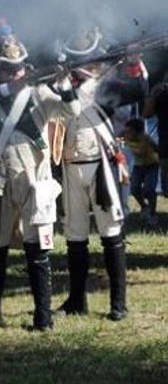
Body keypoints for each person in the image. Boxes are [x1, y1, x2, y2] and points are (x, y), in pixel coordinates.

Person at [0, 23, 80, 331]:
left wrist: (64, 82)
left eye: (13, 69)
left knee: (36, 248)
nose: (9, 73)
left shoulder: (40, 92)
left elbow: (70, 111)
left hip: (33, 181)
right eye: (4, 69)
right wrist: (9, 88)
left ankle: (43, 316)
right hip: (2, 181)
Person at [53, 29, 147, 321]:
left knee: (110, 234)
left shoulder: (106, 86)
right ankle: (76, 300)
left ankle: (118, 303)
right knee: (75, 235)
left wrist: (133, 63)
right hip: (70, 166)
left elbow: (139, 90)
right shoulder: (60, 86)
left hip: (101, 165)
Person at [123, 118, 160, 228]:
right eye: (126, 131)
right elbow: (117, 142)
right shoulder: (125, 136)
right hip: (138, 167)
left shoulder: (146, 139)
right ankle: (144, 207)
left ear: (138, 132)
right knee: (134, 188)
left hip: (151, 166)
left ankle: (152, 213)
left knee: (149, 189)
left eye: (130, 132)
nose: (127, 134)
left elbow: (158, 149)